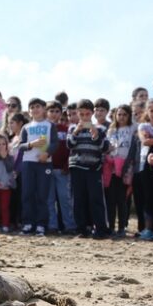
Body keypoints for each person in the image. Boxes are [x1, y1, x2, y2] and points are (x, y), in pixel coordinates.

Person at [67, 99, 110, 239]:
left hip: (93, 168)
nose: (85, 117)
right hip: (77, 166)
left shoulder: (101, 129)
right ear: (78, 114)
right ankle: (81, 229)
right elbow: (69, 145)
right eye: (82, 114)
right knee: (78, 199)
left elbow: (104, 148)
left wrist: (95, 134)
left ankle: (100, 229)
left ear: (92, 113)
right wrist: (76, 131)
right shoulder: (73, 128)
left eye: (87, 114)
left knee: (95, 199)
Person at [18, 98, 58, 236]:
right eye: (32, 107)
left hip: (44, 163)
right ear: (29, 111)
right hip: (28, 163)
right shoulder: (26, 127)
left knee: (42, 195)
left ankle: (41, 225)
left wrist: (46, 154)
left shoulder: (50, 125)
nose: (35, 109)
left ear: (43, 109)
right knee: (27, 194)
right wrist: (31, 144)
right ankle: (28, 223)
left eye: (38, 106)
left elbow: (54, 143)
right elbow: (21, 146)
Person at [45, 101, 77, 235]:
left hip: (62, 170)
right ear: (46, 112)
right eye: (51, 111)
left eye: (57, 111)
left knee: (65, 199)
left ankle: (69, 225)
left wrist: (66, 165)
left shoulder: (66, 129)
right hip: (47, 169)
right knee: (49, 199)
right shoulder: (44, 129)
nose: (54, 114)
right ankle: (52, 225)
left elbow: (70, 149)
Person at [106, 104, 137, 237]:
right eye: (119, 114)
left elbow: (133, 147)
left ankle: (122, 227)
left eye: (124, 114)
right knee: (111, 200)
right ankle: (111, 227)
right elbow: (107, 147)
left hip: (126, 168)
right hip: (112, 167)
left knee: (122, 200)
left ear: (129, 115)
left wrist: (127, 164)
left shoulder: (132, 128)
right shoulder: (112, 129)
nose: (122, 117)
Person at [137, 97, 153, 240]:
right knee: (149, 197)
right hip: (146, 165)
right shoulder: (143, 126)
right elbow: (145, 141)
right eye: (151, 110)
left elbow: (150, 140)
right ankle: (148, 229)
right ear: (147, 111)